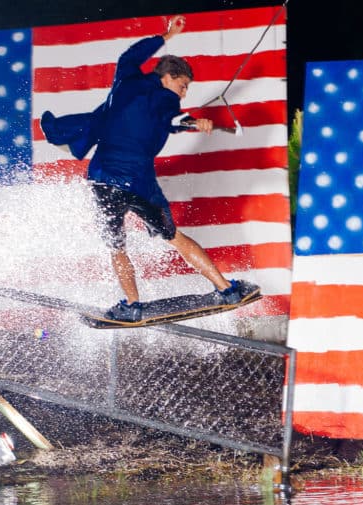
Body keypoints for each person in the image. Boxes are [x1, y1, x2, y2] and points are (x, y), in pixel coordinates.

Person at [40, 15, 257, 322]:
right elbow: (172, 119)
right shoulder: (166, 99)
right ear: (168, 76)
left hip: (102, 181)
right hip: (140, 184)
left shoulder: (125, 80)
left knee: (116, 247)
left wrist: (165, 36)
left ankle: (131, 306)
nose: (183, 93)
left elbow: (129, 57)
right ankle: (227, 290)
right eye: (183, 86)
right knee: (174, 237)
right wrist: (196, 122)